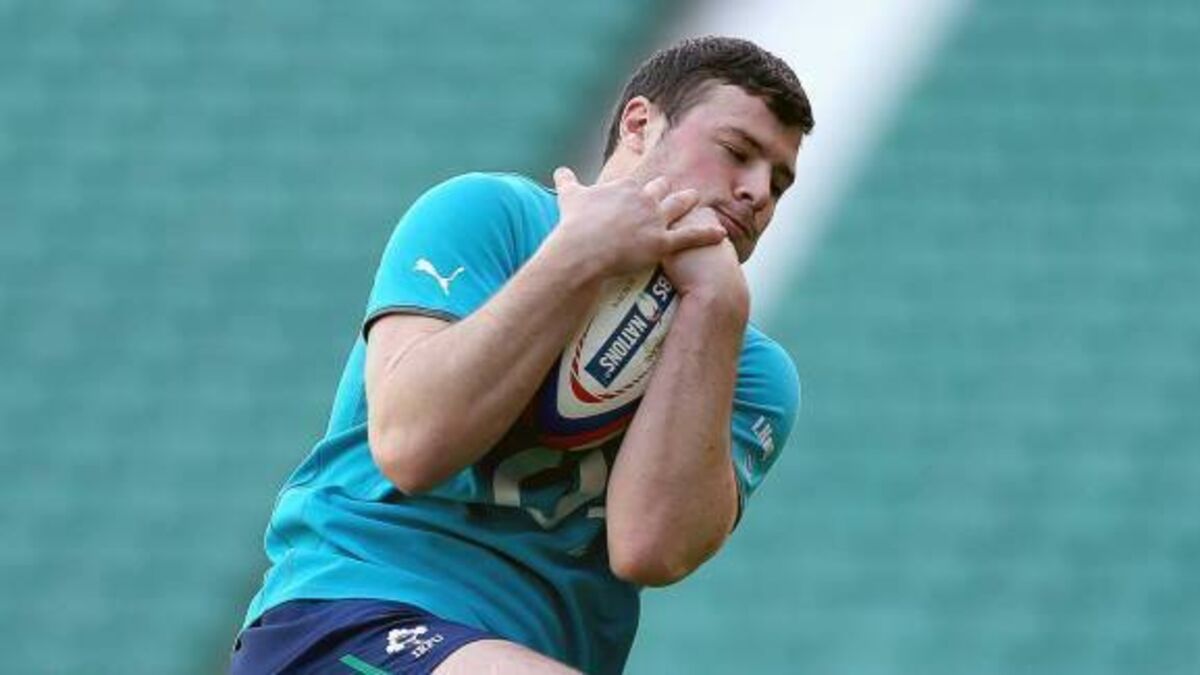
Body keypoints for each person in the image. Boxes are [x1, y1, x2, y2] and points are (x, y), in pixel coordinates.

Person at [230, 35, 814, 675]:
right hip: (350, 617)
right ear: (639, 125)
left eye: (779, 182)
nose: (757, 192)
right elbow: (411, 447)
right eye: (737, 152)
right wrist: (580, 258)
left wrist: (714, 306)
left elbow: (650, 549)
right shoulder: (490, 215)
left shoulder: (751, 370)